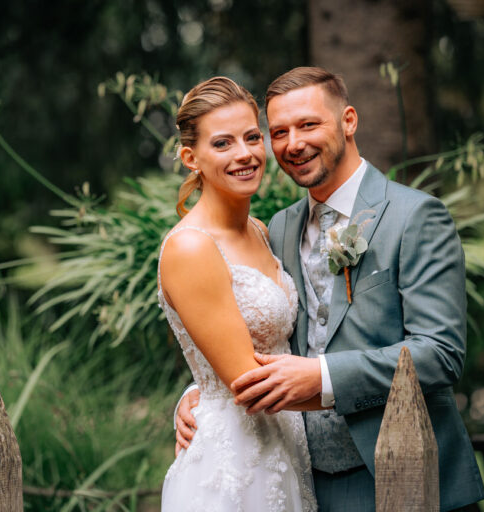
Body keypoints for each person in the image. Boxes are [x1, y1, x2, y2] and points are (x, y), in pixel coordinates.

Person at [175, 67, 484, 511]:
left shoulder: (415, 216)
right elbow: (261, 331)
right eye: (279, 132)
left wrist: (323, 377)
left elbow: (441, 354)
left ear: (348, 121)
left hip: (406, 474)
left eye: (308, 124)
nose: (293, 143)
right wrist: (199, 396)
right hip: (310, 483)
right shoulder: (278, 228)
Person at [157, 76, 319, 511]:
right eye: (223, 143)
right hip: (233, 465)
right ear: (191, 158)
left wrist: (196, 390)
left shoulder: (260, 230)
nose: (245, 154)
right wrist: (358, 389)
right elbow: (248, 384)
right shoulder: (191, 248)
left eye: (252, 137)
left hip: (285, 447)